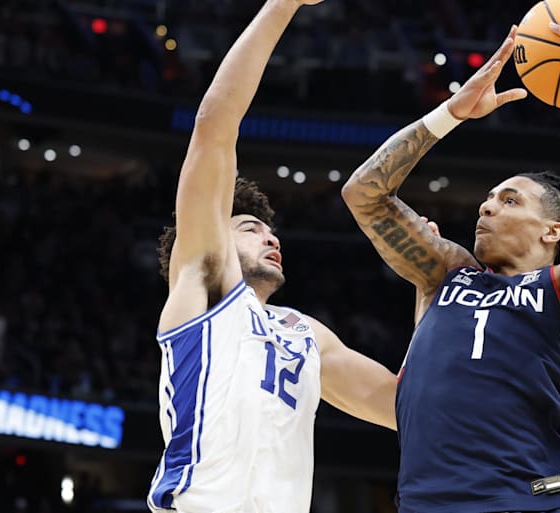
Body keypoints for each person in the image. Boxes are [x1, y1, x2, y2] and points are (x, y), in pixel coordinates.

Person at [341, 1, 560, 511]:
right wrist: (448, 114)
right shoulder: (448, 274)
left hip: (522, 501)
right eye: (491, 195)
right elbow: (363, 194)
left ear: (553, 230)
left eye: (510, 199)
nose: (487, 204)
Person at [146, 1, 398, 511]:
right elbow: (215, 125)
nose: (270, 237)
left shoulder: (306, 334)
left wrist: (430, 282)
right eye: (250, 227)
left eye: (270, 229)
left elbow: (405, 404)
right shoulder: (205, 284)